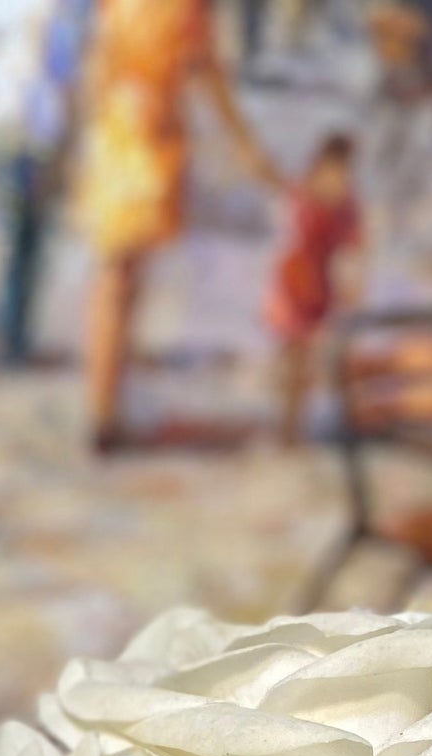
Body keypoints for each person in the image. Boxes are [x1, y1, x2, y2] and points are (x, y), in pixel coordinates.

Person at [73, 0, 280, 449]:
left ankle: (105, 406)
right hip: (134, 134)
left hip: (135, 134)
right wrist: (246, 146)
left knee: (121, 275)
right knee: (119, 276)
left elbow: (204, 70)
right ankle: (102, 411)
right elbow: (206, 72)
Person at [0, 0, 91, 365]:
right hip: (22, 131)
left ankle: (14, 335)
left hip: (27, 131)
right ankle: (9, 338)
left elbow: (65, 75)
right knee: (20, 238)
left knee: (26, 238)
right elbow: (62, 74)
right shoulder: (41, 10)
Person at [266, 130, 362, 443]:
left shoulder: (342, 199)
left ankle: (294, 426)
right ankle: (288, 426)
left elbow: (353, 245)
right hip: (296, 278)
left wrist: (351, 284)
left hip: (316, 281)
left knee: (309, 359)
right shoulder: (309, 190)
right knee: (292, 357)